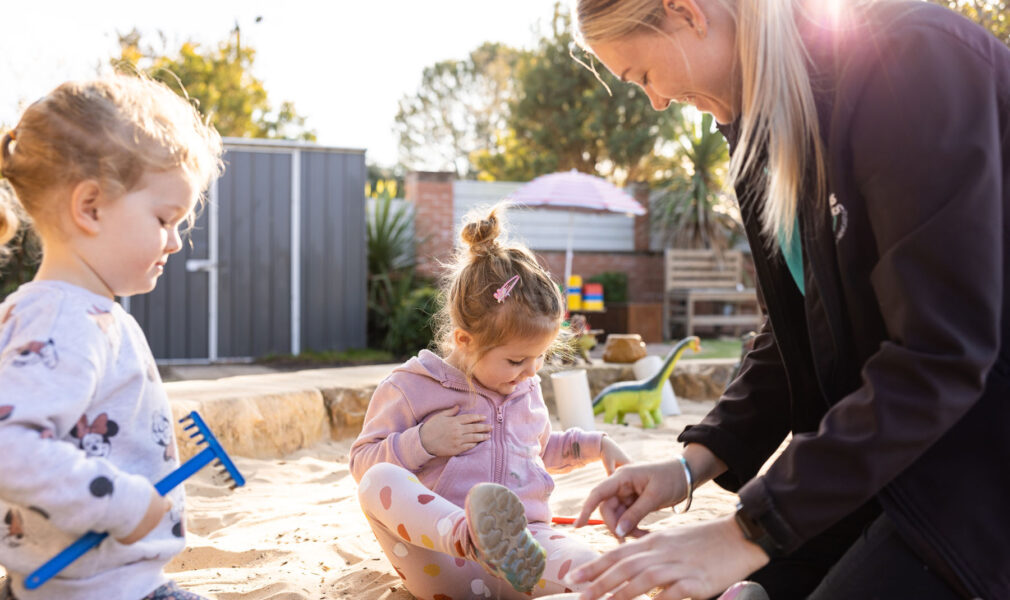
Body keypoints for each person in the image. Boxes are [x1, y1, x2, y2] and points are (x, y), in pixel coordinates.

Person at [562, 0, 1010, 598]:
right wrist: (689, 467)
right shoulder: (756, 135)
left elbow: (940, 353)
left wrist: (745, 531)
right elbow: (792, 332)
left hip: (979, 456)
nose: (657, 101)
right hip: (895, 453)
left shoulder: (907, 62)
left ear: (686, 12)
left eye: (642, 77)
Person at [0, 74, 223, 600]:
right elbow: (9, 446)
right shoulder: (66, 318)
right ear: (91, 207)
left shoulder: (67, 310)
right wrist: (121, 502)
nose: (174, 243)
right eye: (166, 219)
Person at [349, 206, 635, 599]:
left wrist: (597, 445)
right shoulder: (410, 387)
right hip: (447, 563)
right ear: (465, 341)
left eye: (540, 358)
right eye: (516, 360)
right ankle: (472, 536)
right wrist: (424, 442)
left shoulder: (524, 388)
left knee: (596, 571)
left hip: (530, 551)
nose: (531, 373)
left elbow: (538, 450)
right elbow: (361, 463)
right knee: (379, 481)